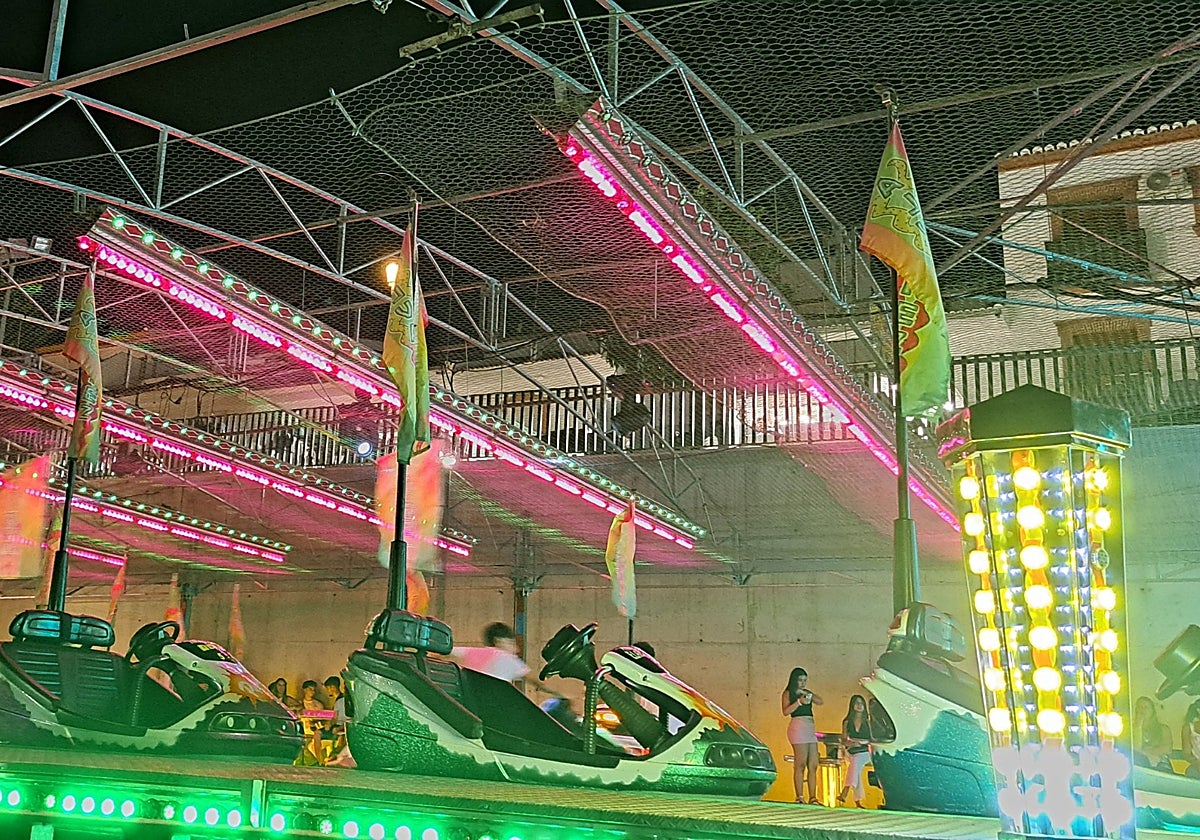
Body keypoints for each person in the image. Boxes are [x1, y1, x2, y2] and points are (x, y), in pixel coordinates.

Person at [782, 667, 823, 804]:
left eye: (805, 680)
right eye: (800, 680)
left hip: (810, 727)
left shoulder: (806, 692)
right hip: (798, 726)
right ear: (794, 680)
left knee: (813, 763)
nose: (802, 683)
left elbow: (820, 701)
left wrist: (807, 694)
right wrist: (799, 701)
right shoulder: (788, 693)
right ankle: (799, 796)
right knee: (800, 763)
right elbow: (786, 711)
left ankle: (813, 797)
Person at [837, 694, 872, 807]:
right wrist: (851, 743)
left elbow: (873, 738)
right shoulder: (847, 721)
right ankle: (857, 802)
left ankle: (845, 791)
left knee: (855, 762)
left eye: (861, 703)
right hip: (853, 749)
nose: (859, 705)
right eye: (857, 703)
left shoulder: (868, 721)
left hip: (866, 750)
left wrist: (862, 742)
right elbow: (843, 739)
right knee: (855, 765)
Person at [1134, 695, 1174, 773]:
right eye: (1139, 707)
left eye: (1146, 707)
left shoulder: (1163, 729)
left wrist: (1144, 752)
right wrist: (1138, 726)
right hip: (1140, 766)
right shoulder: (1131, 729)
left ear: (1152, 711)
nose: (1142, 710)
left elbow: (1167, 749)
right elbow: (1135, 748)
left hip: (1162, 766)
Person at [1181, 700, 1200, 778]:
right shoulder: (1188, 728)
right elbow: (1187, 754)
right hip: (1197, 766)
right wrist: (1197, 765)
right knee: (1191, 772)